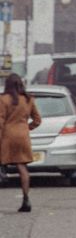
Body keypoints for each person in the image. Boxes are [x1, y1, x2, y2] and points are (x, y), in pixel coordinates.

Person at [0, 73, 41, 212]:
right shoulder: (28, 99)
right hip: (23, 136)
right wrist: (26, 128)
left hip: (6, 136)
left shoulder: (3, 99)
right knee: (22, 168)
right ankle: (26, 199)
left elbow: (0, 122)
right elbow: (37, 120)